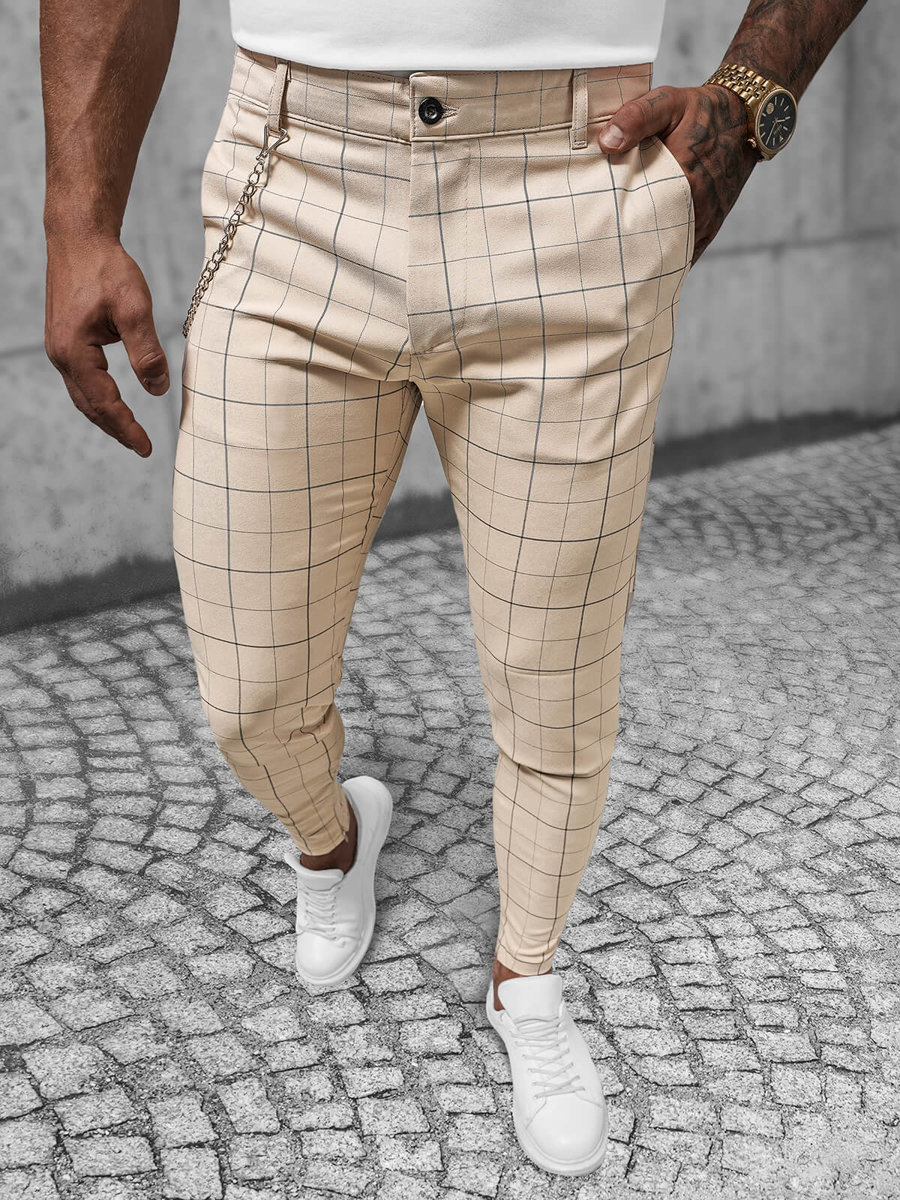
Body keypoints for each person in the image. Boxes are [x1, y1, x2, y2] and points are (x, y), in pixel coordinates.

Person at [40, 0, 870, 1178]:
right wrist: (79, 216)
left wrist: (749, 100)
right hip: (296, 176)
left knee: (556, 681)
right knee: (248, 691)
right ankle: (333, 838)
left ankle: (528, 974)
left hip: (573, 177)